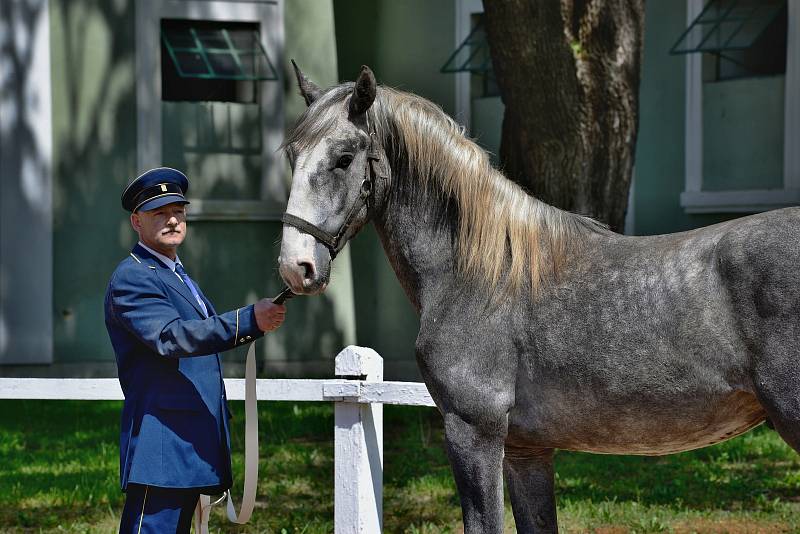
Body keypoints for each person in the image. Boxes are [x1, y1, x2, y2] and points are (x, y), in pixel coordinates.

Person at [104, 167, 286, 533]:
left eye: (179, 211)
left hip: (187, 442)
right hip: (162, 447)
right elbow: (172, 338)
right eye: (160, 213)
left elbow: (198, 335)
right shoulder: (134, 275)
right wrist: (248, 320)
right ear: (136, 222)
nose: (173, 220)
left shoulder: (175, 273)